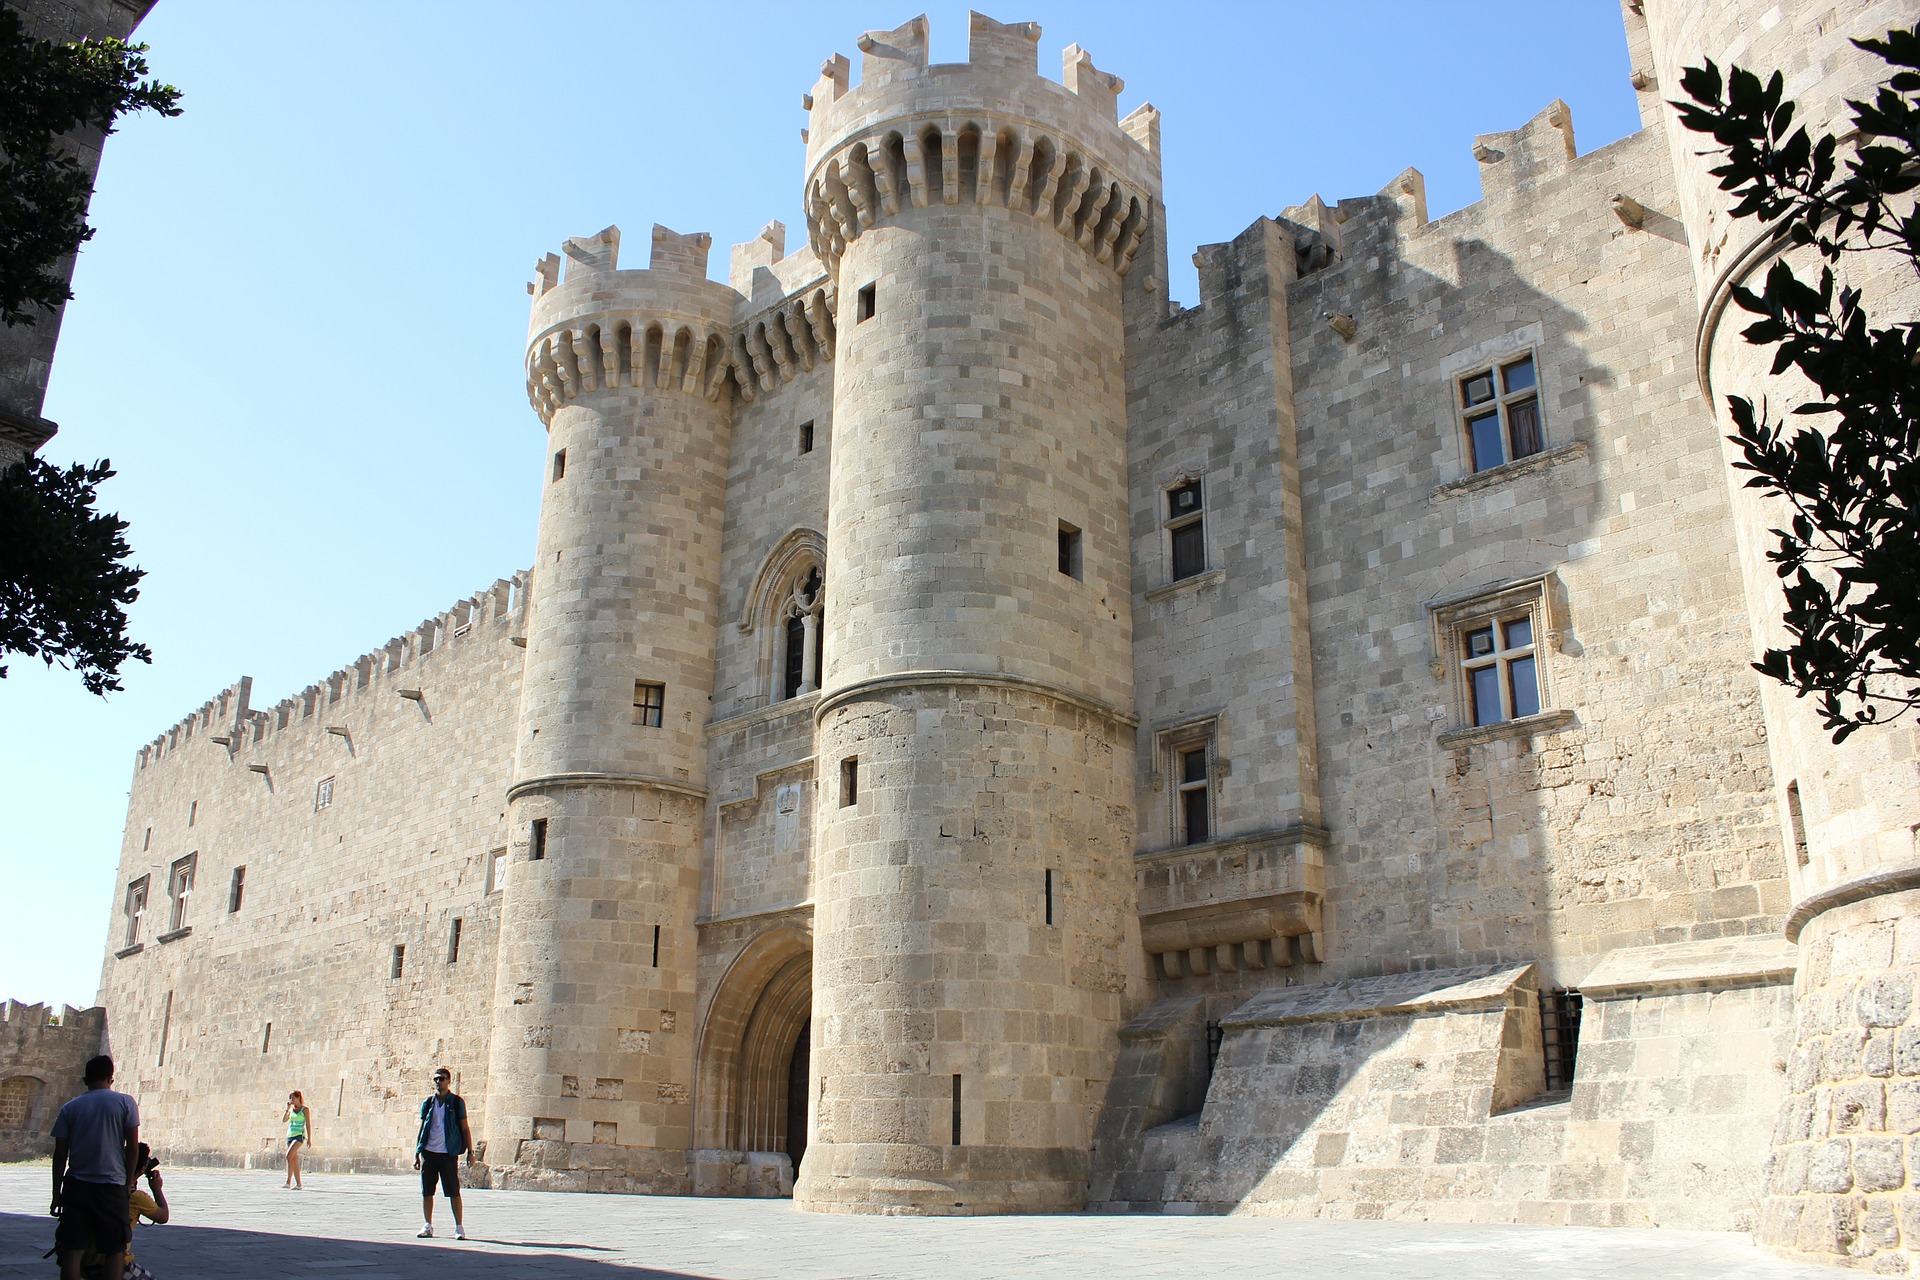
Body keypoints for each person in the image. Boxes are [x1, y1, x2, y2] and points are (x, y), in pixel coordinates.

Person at [48, 1054, 140, 1280]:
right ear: (111, 1078)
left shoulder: (70, 1108)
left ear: (85, 1080)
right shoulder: (125, 1102)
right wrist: (129, 1182)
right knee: (114, 1251)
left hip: (77, 1186)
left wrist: (56, 1194)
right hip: (111, 1187)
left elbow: (60, 1154)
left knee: (72, 1250)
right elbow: (132, 1147)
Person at [78, 1143, 168, 1280]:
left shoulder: (104, 1188)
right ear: (143, 1168)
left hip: (86, 1262)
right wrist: (157, 1189)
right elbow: (163, 1217)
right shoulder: (136, 1197)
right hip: (116, 1263)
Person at [413, 1067, 474, 1240]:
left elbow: (464, 1127)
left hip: (448, 1153)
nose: (439, 1082)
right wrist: (418, 1151)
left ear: (449, 1081)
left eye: (442, 1078)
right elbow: (423, 1127)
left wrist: (470, 1151)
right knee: (427, 1191)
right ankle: (428, 1225)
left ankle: (459, 1226)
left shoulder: (456, 1102)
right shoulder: (428, 1103)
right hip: (429, 1152)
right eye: (436, 1079)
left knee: (453, 1190)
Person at [282, 1090, 313, 1189]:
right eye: (290, 1098)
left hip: (299, 1135)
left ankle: (288, 1181)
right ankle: (298, 1184)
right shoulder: (291, 1110)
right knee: (294, 1160)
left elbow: (308, 1124)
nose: (292, 1100)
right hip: (290, 1135)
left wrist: (309, 1138)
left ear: (298, 1098)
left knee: (288, 1155)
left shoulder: (305, 1110)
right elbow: (284, 1120)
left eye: (293, 1098)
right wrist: (287, 1109)